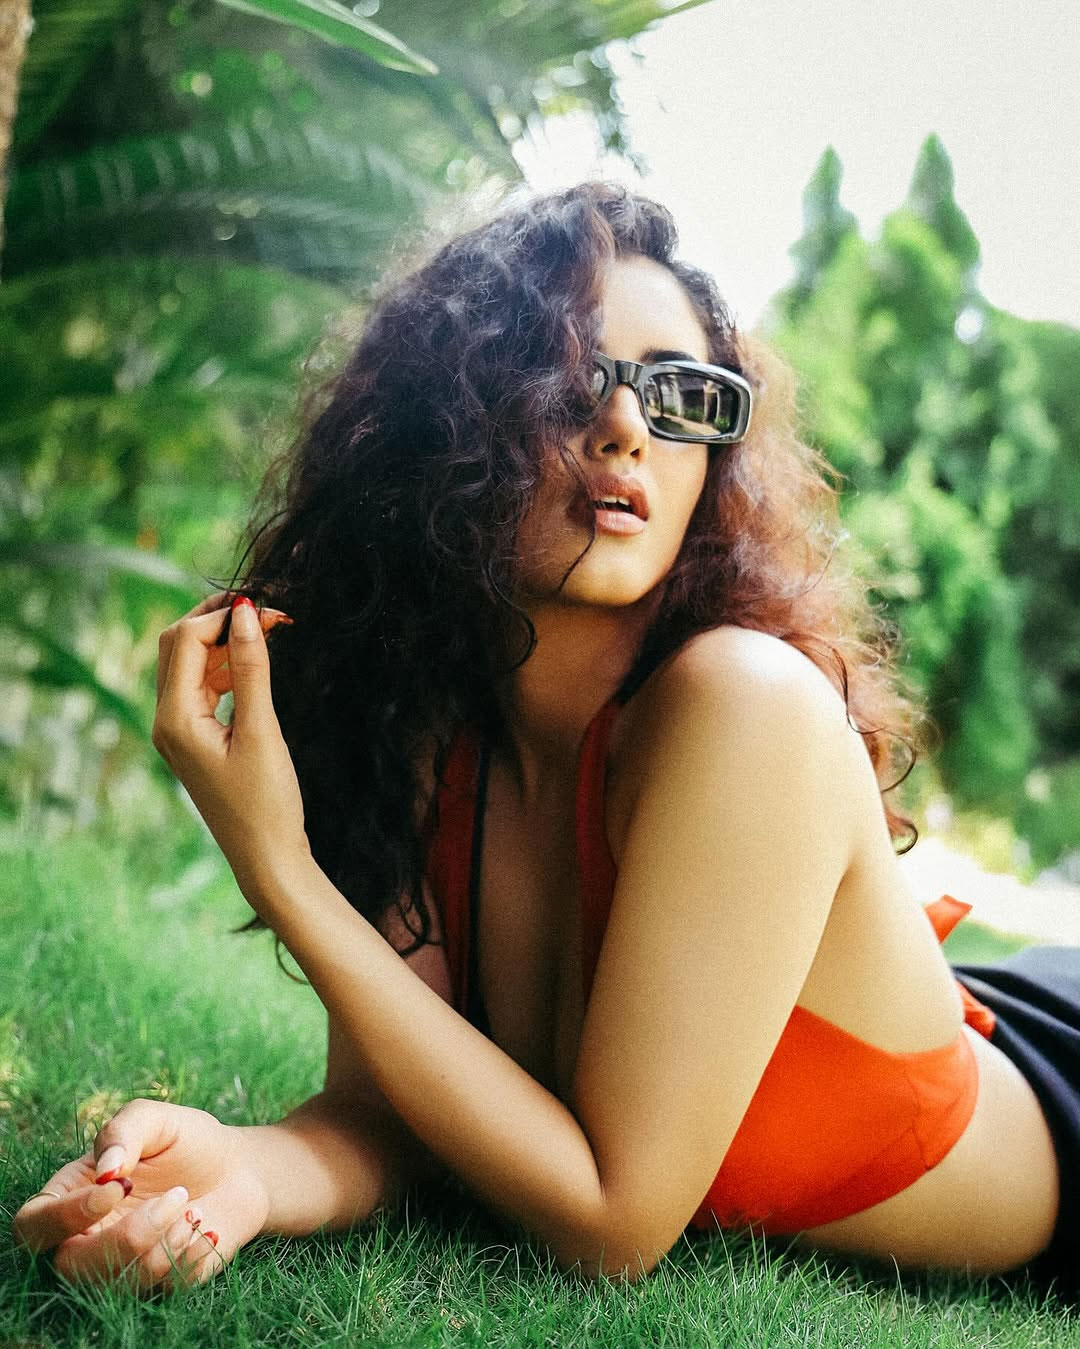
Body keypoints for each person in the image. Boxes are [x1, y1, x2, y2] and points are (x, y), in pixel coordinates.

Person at [12, 183, 1077, 1296]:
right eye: (568, 378)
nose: (626, 427)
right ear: (446, 421)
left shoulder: (746, 702)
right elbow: (393, 1116)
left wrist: (280, 869)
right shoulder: (429, 730)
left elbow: (612, 1221)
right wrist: (247, 1171)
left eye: (680, 394)